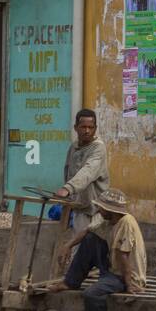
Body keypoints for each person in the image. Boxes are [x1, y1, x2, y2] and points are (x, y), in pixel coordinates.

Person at [47, 188, 146, 311]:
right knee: (90, 238)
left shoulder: (126, 223)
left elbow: (124, 257)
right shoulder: (107, 219)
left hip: (125, 274)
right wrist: (67, 246)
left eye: (101, 207)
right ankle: (70, 282)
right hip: (113, 267)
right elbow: (87, 231)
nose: (98, 209)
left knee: (91, 294)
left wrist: (129, 285)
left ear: (109, 210)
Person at [54, 109, 109, 267]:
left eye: (90, 127)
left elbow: (88, 171)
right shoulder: (73, 147)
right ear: (76, 127)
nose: (87, 131)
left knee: (96, 250)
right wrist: (67, 197)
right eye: (83, 127)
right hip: (80, 207)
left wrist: (68, 188)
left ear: (95, 128)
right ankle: (76, 280)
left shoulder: (98, 148)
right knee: (79, 249)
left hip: (97, 210)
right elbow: (68, 170)